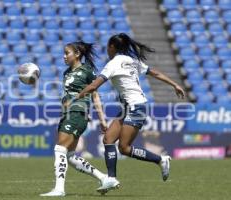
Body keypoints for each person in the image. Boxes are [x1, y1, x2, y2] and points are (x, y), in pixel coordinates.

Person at [70, 33, 186, 194]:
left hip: (135, 107)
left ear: (112, 47)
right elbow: (155, 73)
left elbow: (93, 86)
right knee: (108, 139)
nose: (106, 50)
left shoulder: (114, 63)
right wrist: (175, 85)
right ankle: (111, 178)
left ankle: (161, 159)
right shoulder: (132, 60)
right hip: (129, 106)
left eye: (107, 47)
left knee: (124, 147)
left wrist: (75, 97)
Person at [40, 41, 111, 197]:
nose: (64, 56)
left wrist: (102, 119)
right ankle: (104, 178)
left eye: (67, 53)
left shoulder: (87, 71)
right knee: (70, 156)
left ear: (77, 54)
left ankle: (59, 189)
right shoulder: (66, 73)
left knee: (60, 149)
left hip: (78, 112)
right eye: (64, 53)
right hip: (68, 114)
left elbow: (95, 95)